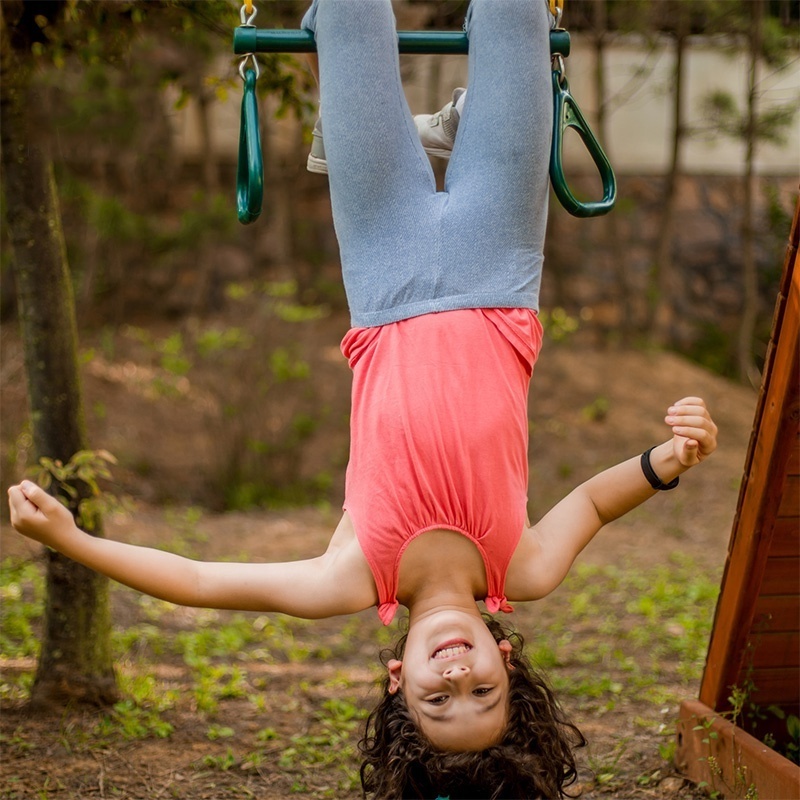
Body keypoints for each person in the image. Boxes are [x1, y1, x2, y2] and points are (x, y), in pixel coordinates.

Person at [7, 1, 719, 797]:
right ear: (507, 662)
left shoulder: (350, 577)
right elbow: (592, 501)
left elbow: (204, 582)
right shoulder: (523, 565)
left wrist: (73, 541)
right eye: (481, 691)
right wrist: (670, 457)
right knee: (516, 14)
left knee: (351, 12)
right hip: (498, 268)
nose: (457, 673)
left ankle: (414, 129)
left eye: (437, 697)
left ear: (396, 677)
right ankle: (444, 126)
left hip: (384, 275)